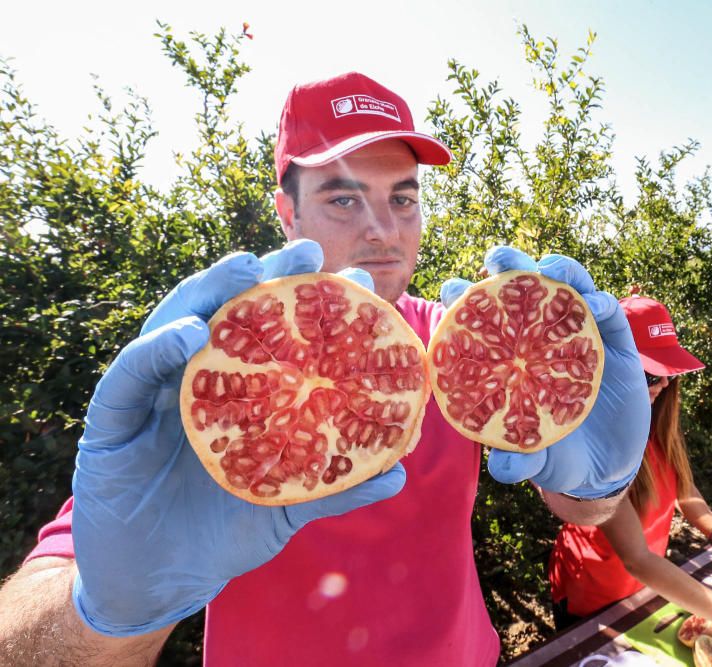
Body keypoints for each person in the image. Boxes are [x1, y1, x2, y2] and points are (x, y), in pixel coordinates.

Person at [0, 72, 655, 667]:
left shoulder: (457, 349)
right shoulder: (217, 366)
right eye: (344, 199)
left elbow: (577, 502)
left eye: (403, 198)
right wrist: (106, 616)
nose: (383, 229)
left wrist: (605, 483)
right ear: (287, 211)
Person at [548, 296, 712, 666]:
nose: (662, 384)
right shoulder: (596, 446)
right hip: (593, 596)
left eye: (669, 374)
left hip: (646, 587)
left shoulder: (656, 421)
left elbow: (685, 490)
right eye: (648, 374)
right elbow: (637, 558)